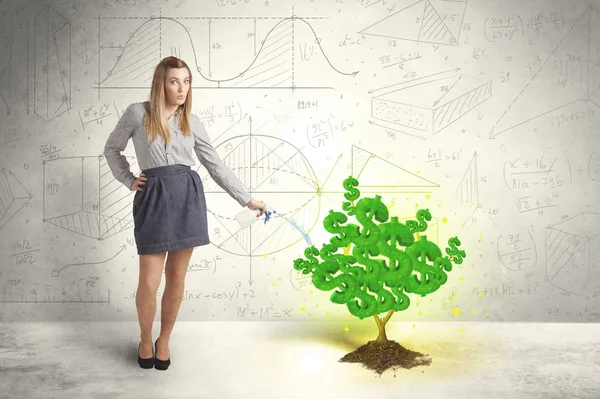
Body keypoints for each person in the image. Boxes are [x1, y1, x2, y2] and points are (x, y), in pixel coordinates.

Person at [103, 56, 268, 371]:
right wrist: (127, 178)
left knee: (176, 277)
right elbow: (112, 149)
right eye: (174, 81)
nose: (181, 88)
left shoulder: (192, 120)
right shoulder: (137, 113)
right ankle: (144, 338)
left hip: (187, 198)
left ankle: (164, 340)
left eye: (187, 81)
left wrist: (246, 200)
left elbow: (214, 164)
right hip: (152, 197)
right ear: (161, 83)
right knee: (148, 282)